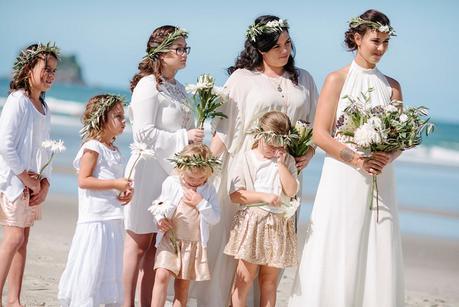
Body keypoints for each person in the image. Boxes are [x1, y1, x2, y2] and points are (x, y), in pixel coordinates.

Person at [191, 15, 318, 306]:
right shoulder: (242, 79)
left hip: (284, 174)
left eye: (288, 44)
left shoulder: (305, 80)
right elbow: (225, 130)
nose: (285, 51)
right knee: (238, 250)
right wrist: (202, 165)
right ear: (261, 49)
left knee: (274, 252)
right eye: (277, 47)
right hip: (246, 171)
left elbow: (312, 128)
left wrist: (308, 153)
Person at [289, 9, 404, 307]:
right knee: (339, 239)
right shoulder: (336, 80)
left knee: (378, 242)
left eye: (385, 42)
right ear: (357, 38)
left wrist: (387, 157)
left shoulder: (392, 87)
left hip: (380, 175)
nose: (380, 49)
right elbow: (321, 134)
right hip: (344, 174)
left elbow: (400, 138)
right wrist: (356, 160)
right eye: (375, 41)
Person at [123, 25, 203, 306]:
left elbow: (186, 126)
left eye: (185, 48)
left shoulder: (180, 89)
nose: (184, 54)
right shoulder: (148, 85)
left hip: (170, 174)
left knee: (155, 246)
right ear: (161, 52)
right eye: (178, 49)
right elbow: (142, 133)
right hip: (147, 169)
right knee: (138, 242)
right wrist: (184, 137)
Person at [58, 94, 133, 306]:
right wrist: (115, 184)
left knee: (109, 267)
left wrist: (124, 192)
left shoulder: (115, 150)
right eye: (117, 116)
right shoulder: (92, 147)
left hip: (113, 217)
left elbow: (112, 181)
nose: (123, 120)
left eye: (123, 116)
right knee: (91, 266)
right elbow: (84, 180)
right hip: (95, 219)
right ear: (101, 119)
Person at [0, 43, 59, 307]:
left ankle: (14, 299)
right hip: (13, 181)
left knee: (23, 239)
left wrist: (44, 183)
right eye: (45, 68)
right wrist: (25, 177)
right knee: (13, 237)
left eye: (54, 71)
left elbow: (45, 149)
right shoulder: (19, 101)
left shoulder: (44, 108)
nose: (50, 75)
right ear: (28, 69)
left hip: (32, 184)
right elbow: (5, 144)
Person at [225, 111, 299, 307]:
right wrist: (263, 197)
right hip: (253, 222)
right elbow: (235, 195)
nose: (274, 151)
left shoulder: (287, 160)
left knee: (269, 281)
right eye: (270, 145)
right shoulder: (247, 159)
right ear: (259, 135)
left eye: (279, 146)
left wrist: (281, 165)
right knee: (245, 278)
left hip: (278, 226)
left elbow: (291, 190)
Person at [148, 144, 220, 307]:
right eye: (190, 178)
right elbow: (159, 205)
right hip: (170, 239)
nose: (195, 183)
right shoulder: (172, 183)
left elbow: (215, 217)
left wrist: (200, 203)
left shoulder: (208, 190)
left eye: (201, 179)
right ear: (181, 169)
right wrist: (160, 219)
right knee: (161, 275)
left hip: (192, 244)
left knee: (182, 286)